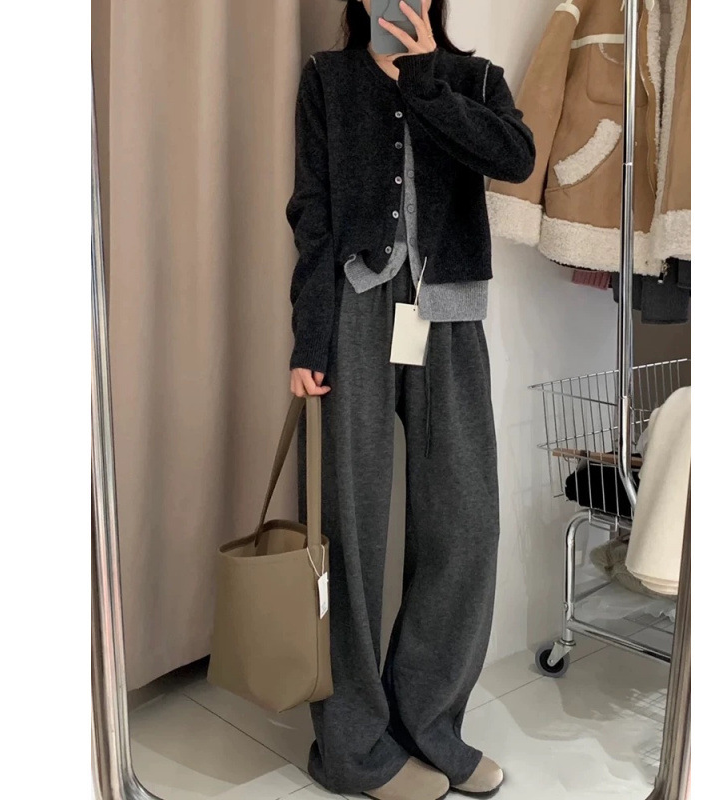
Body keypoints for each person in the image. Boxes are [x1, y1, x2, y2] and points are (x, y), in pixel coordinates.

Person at [286, 2, 535, 798]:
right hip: (355, 312)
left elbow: (515, 158)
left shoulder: (474, 78)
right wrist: (309, 339)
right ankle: (353, 748)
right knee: (348, 532)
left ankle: (429, 724)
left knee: (466, 523)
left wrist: (427, 76)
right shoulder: (327, 80)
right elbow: (313, 214)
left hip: (450, 313)